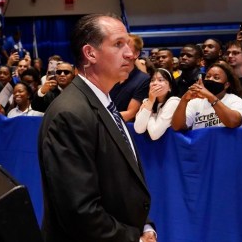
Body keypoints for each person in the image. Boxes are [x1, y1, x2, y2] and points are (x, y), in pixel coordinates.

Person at [38, 14, 156, 241]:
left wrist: (145, 226)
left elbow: (122, 184)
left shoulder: (106, 104)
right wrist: (134, 239)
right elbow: (79, 212)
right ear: (90, 54)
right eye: (118, 44)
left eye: (129, 45)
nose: (131, 54)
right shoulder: (70, 114)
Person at [171, 61, 242, 131]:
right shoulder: (196, 102)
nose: (210, 79)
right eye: (208, 76)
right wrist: (184, 100)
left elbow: (233, 122)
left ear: (226, 85)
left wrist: (210, 97)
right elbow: (177, 127)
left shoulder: (235, 100)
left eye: (216, 77)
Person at [109, 34, 152, 122]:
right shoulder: (110, 75)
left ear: (136, 54)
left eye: (127, 46)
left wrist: (101, 119)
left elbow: (130, 113)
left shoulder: (144, 80)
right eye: (119, 45)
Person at [133, 68, 181, 140]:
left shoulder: (173, 102)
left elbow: (154, 134)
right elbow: (138, 129)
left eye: (160, 80)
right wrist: (150, 102)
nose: (155, 83)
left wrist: (151, 114)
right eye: (152, 80)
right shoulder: (147, 101)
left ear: (170, 87)